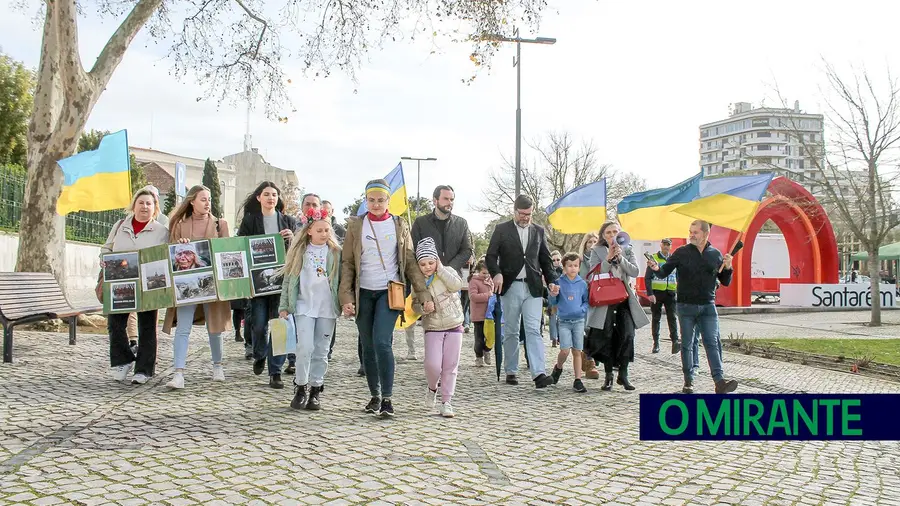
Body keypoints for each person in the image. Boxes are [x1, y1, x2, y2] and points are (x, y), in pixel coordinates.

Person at [339, 179, 432, 418]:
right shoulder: (356, 226)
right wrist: (346, 297)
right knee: (368, 346)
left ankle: (388, 399)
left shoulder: (399, 224)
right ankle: (375, 395)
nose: (377, 204)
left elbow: (410, 262)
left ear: (389, 201)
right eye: (372, 200)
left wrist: (423, 294)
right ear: (366, 201)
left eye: (381, 200)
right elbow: (348, 263)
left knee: (382, 342)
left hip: (389, 292)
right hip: (363, 293)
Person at [648, 219, 739, 394]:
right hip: (685, 306)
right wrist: (655, 267)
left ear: (706, 234)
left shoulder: (715, 254)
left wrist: (728, 267)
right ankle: (688, 381)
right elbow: (663, 272)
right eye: (690, 231)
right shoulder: (681, 252)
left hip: (708, 306)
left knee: (712, 342)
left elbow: (725, 281)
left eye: (695, 232)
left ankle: (719, 382)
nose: (691, 235)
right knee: (688, 343)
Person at [485, 195, 559, 388]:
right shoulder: (502, 230)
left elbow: (546, 260)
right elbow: (491, 256)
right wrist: (496, 273)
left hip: (533, 287)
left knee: (534, 329)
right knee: (511, 330)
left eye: (529, 214)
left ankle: (539, 374)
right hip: (510, 285)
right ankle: (511, 370)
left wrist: (551, 280)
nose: (526, 217)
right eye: (522, 214)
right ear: (515, 211)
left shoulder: (538, 231)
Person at [162, 185, 232, 389]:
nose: (207, 202)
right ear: (192, 201)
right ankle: (178, 373)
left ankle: (218, 365)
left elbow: (228, 251)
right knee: (183, 327)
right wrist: (179, 244)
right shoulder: (179, 224)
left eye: (209, 199)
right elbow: (171, 252)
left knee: (215, 327)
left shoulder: (221, 224)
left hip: (213, 283)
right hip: (186, 284)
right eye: (203, 199)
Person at [101, 188, 169, 384]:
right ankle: (123, 360)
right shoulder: (120, 225)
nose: (145, 207)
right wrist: (103, 259)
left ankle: (144, 370)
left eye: (149, 203)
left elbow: (165, 255)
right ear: (134, 205)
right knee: (115, 324)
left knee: (147, 326)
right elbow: (107, 247)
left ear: (155, 208)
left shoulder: (162, 231)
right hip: (120, 283)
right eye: (141, 203)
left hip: (148, 284)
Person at [236, 181, 299, 389]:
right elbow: (239, 246)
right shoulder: (250, 220)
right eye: (266, 194)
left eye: (274, 194)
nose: (271, 198)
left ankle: (275, 372)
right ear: (259, 198)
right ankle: (260, 353)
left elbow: (298, 250)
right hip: (258, 282)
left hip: (281, 282)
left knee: (279, 326)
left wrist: (292, 238)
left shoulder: (288, 221)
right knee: (260, 324)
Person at [279, 206, 341, 411]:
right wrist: (285, 306)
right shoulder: (299, 251)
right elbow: (289, 280)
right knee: (304, 347)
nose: (325, 234)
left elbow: (343, 279)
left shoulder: (335, 253)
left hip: (327, 308)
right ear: (309, 231)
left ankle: (316, 388)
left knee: (321, 351)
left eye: (327, 230)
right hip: (304, 306)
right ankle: (300, 386)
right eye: (320, 230)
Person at [408, 185, 474, 361]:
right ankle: (434, 362)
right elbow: (412, 250)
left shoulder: (461, 223)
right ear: (435, 200)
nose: (449, 202)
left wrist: (446, 269)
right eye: (446, 199)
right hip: (427, 279)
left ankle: (448, 363)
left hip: (450, 279)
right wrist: (427, 269)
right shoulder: (421, 223)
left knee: (452, 320)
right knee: (433, 321)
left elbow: (467, 249)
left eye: (452, 199)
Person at [585, 221, 651, 391]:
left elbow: (635, 271)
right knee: (606, 335)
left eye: (615, 231)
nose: (612, 235)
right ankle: (608, 376)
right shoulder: (596, 251)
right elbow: (594, 274)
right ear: (603, 235)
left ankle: (624, 373)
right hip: (605, 300)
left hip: (624, 298)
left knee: (627, 334)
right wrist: (607, 259)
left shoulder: (627, 249)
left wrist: (620, 258)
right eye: (608, 232)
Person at [413, 237, 465, 418]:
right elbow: (413, 306)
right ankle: (432, 387)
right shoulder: (418, 282)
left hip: (454, 324)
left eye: (431, 262)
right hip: (433, 326)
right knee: (432, 365)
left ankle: (446, 402)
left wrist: (441, 270)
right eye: (423, 264)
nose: (428, 266)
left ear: (437, 260)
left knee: (450, 365)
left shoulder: (447, 271)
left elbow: (457, 285)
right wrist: (422, 308)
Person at [548, 252, 590, 393]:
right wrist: (553, 294)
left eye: (575, 265)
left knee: (577, 351)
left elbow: (586, 301)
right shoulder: (559, 282)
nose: (573, 268)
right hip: (564, 321)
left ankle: (578, 379)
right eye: (570, 266)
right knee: (565, 350)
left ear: (579, 267)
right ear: (564, 267)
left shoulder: (582, 284)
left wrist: (582, 310)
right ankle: (558, 367)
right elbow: (553, 301)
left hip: (578, 320)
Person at [645, 238, 680, 354]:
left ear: (670, 246)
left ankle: (675, 342)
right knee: (656, 318)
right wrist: (650, 293)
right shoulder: (654, 258)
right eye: (664, 245)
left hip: (670, 292)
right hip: (657, 292)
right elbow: (648, 277)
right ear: (661, 245)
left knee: (672, 318)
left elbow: (678, 276)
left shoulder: (673, 259)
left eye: (668, 245)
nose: (666, 247)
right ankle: (656, 343)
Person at [576, 233, 600, 380]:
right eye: (589, 242)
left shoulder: (602, 259)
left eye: (594, 242)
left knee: (596, 330)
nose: (591, 244)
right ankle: (589, 360)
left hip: (598, 298)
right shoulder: (578, 261)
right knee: (585, 329)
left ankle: (589, 357)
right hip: (583, 299)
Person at [468, 259, 494, 367]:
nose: (486, 275)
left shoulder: (490, 280)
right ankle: (479, 356)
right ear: (478, 271)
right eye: (484, 273)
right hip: (478, 315)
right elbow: (473, 297)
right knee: (479, 338)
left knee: (490, 337)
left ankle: (487, 350)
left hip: (490, 315)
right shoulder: (474, 281)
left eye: (488, 273)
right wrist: (488, 295)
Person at [547, 250, 564, 348]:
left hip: (562, 294)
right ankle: (554, 338)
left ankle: (559, 337)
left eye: (558, 259)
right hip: (552, 294)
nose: (556, 262)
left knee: (561, 317)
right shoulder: (549, 271)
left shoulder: (564, 270)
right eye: (554, 260)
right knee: (553, 316)